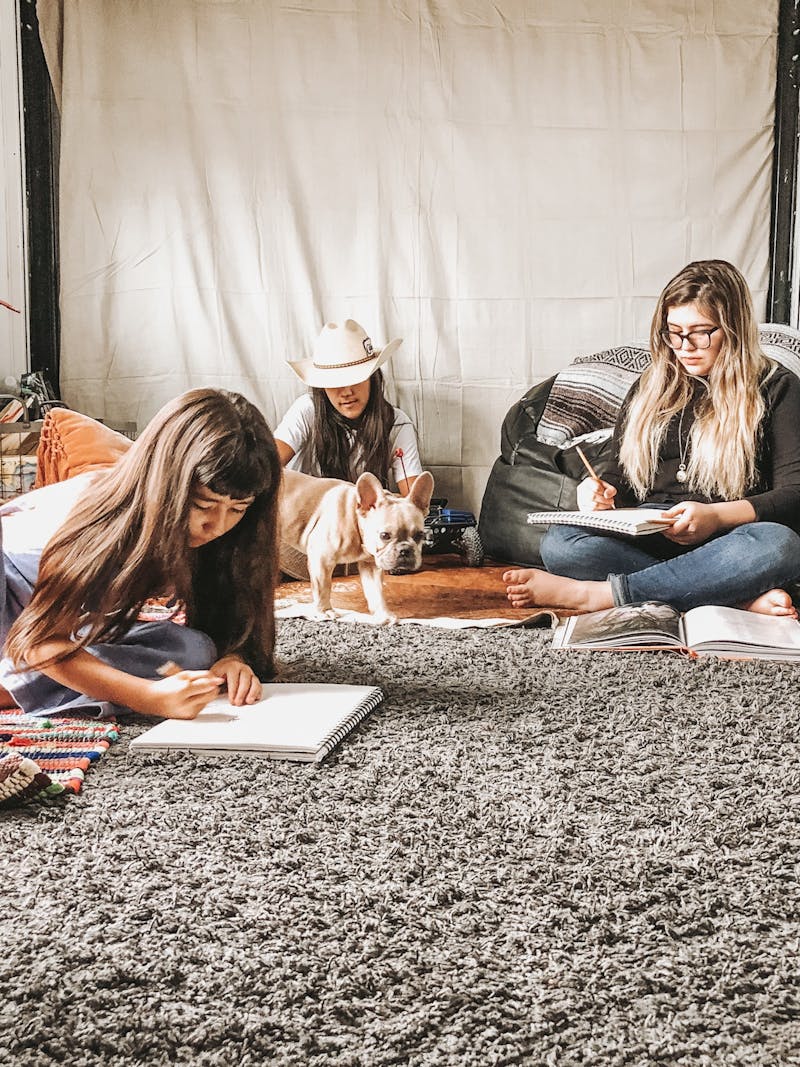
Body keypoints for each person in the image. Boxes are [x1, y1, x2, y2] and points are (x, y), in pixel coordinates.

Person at [504, 259, 800, 618]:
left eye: (700, 331)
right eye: (673, 332)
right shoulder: (650, 386)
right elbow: (618, 473)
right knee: (562, 543)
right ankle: (731, 596)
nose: (684, 346)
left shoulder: (778, 388)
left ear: (733, 329)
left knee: (779, 546)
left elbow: (793, 494)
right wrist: (597, 490)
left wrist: (715, 517)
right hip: (652, 534)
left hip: (729, 535)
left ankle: (603, 596)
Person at [0, 388, 281, 720]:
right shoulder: (98, 515)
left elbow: (230, 626)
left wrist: (233, 660)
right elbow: (40, 641)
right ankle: (19, 680)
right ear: (166, 484)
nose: (217, 525)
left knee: (196, 652)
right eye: (203, 505)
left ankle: (29, 679)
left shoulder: (222, 532)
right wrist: (146, 696)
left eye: (237, 509)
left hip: (65, 623)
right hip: (13, 602)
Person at [274, 318, 423, 495]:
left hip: (365, 520)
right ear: (321, 386)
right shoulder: (307, 410)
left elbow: (414, 502)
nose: (346, 392)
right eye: (335, 382)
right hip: (306, 519)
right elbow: (264, 471)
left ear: (373, 378)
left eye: (355, 378)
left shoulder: (397, 424)